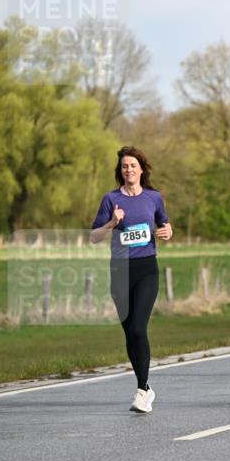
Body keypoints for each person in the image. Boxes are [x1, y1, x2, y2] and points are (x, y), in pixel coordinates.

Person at [90, 146, 172, 413]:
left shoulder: (153, 197)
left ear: (141, 169)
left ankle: (142, 389)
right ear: (120, 170)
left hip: (146, 268)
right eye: (125, 166)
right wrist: (112, 223)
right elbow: (94, 237)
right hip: (120, 271)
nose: (129, 170)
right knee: (129, 332)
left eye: (133, 166)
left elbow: (164, 224)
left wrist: (167, 231)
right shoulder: (110, 199)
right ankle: (145, 387)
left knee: (138, 328)